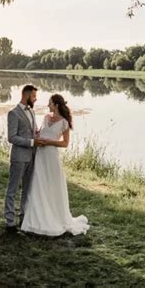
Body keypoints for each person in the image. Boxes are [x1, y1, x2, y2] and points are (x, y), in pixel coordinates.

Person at [20, 93, 89, 236]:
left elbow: (65, 143)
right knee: (39, 183)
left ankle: (54, 216)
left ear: (56, 105)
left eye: (50, 103)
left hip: (51, 157)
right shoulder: (46, 118)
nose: (47, 105)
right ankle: (36, 216)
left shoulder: (64, 122)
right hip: (40, 155)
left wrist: (49, 142)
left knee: (52, 185)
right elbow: (39, 134)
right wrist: (35, 137)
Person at [4, 84, 43, 232]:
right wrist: (32, 142)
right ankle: (9, 221)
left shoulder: (32, 112)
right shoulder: (13, 113)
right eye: (33, 96)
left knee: (27, 189)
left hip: (32, 157)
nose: (36, 99)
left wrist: (40, 135)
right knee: (12, 189)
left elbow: (33, 131)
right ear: (26, 96)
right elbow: (12, 137)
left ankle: (24, 217)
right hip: (19, 157)